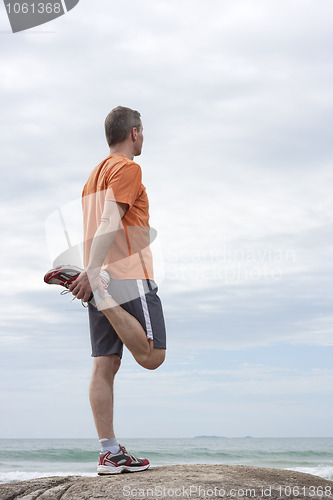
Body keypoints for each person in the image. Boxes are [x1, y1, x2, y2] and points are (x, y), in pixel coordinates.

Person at [44, 106, 166, 474]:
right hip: (125, 275)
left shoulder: (92, 178)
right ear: (134, 132)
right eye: (142, 130)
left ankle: (109, 452)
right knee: (152, 355)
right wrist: (96, 276)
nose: (143, 136)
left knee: (105, 364)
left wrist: (93, 271)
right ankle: (102, 295)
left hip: (101, 274)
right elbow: (111, 220)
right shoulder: (128, 168)